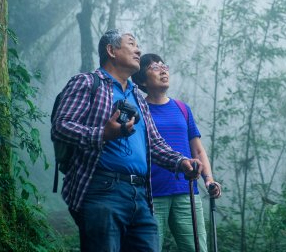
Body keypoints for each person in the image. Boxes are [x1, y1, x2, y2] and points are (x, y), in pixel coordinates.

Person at [51, 29, 202, 252]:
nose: (138, 50)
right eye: (131, 44)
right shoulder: (87, 83)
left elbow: (155, 143)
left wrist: (182, 162)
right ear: (111, 51)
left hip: (140, 194)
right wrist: (103, 134)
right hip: (102, 190)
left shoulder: (138, 98)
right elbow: (61, 126)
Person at [132, 53, 221, 252]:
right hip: (151, 194)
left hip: (187, 192)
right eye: (154, 67)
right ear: (142, 81)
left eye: (164, 66)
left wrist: (208, 179)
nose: (163, 70)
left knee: (197, 248)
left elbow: (197, 149)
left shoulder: (182, 108)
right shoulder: (138, 109)